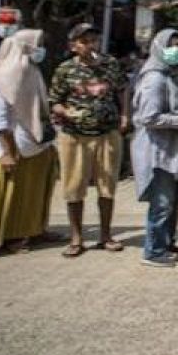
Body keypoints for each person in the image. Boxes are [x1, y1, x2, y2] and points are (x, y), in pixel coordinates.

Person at [0, 30, 57, 252]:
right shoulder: (9, 75)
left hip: (34, 143)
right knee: (13, 194)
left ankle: (32, 231)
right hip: (14, 145)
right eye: (37, 44)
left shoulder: (30, 71)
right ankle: (9, 237)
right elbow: (0, 119)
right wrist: (6, 151)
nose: (40, 49)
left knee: (30, 193)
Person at [49, 22, 128, 258]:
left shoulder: (110, 65)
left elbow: (123, 89)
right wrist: (65, 112)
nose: (90, 45)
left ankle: (106, 235)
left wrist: (125, 115)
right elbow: (55, 101)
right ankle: (77, 237)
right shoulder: (65, 70)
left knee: (107, 184)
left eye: (93, 40)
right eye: (84, 41)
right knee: (74, 186)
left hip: (107, 133)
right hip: (75, 135)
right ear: (74, 46)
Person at [130, 29, 178, 267]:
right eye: (171, 45)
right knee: (162, 202)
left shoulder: (170, 76)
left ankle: (166, 242)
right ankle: (153, 250)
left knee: (173, 199)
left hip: (169, 146)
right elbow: (149, 117)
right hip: (156, 149)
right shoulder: (154, 79)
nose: (176, 50)